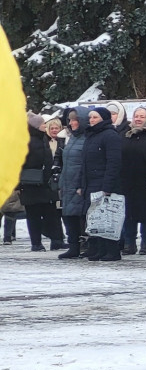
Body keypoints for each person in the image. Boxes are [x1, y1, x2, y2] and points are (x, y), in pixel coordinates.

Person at [82, 106, 124, 261]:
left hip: (104, 184)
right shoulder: (91, 135)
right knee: (95, 218)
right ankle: (99, 249)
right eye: (91, 117)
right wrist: (82, 185)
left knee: (108, 217)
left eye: (95, 117)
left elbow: (113, 163)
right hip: (91, 183)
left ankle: (112, 250)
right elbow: (85, 163)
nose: (92, 120)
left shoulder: (110, 135)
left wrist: (107, 186)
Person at [18, 114, 64, 252]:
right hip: (30, 183)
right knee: (34, 214)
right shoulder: (26, 141)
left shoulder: (42, 138)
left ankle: (56, 240)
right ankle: (36, 243)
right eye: (43, 124)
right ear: (36, 126)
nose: (46, 125)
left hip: (44, 182)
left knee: (51, 212)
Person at [120, 105, 146, 255]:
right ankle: (129, 243)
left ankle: (145, 243)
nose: (138, 119)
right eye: (136, 116)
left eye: (142, 116)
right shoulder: (126, 136)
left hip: (145, 183)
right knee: (129, 215)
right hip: (127, 182)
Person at [56, 107, 91, 258]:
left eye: (74, 120)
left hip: (79, 184)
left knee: (81, 217)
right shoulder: (72, 138)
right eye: (70, 120)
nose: (71, 123)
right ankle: (73, 246)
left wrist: (81, 184)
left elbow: (86, 164)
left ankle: (85, 246)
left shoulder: (87, 138)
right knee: (68, 215)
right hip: (67, 183)